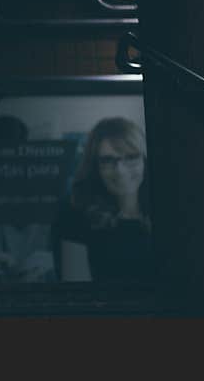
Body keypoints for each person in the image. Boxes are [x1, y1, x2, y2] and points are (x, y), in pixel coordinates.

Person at [53, 117, 155, 283]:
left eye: (131, 157)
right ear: (95, 167)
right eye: (108, 160)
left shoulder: (169, 209)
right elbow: (78, 292)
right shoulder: (73, 217)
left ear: (145, 160)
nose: (120, 171)